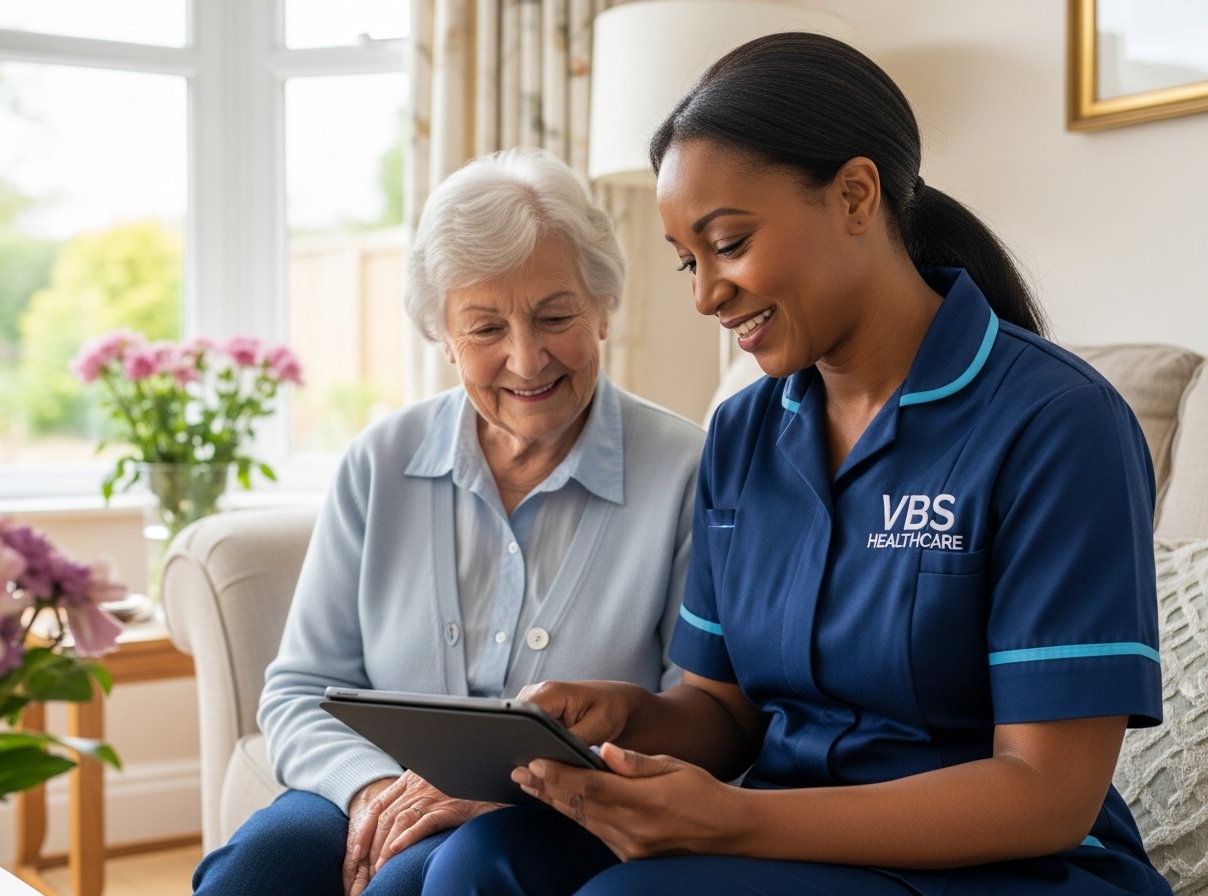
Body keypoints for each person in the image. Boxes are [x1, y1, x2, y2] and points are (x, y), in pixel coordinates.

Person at [417, 32, 1172, 896]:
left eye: (729, 243)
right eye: (688, 261)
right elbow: (724, 710)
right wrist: (625, 716)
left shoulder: (1055, 422)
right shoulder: (744, 431)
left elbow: (1046, 794)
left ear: (855, 194)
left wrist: (733, 819)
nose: (705, 295)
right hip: (783, 840)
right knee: (481, 866)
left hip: (1011, 869)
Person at [190, 147, 706, 896]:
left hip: (568, 815)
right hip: (386, 788)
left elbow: (695, 723)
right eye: (486, 328)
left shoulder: (688, 470)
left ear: (602, 308)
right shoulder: (380, 461)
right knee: (259, 870)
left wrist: (504, 791)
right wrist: (372, 791)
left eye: (554, 316)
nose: (527, 360)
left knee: (418, 881)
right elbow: (299, 688)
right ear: (441, 335)